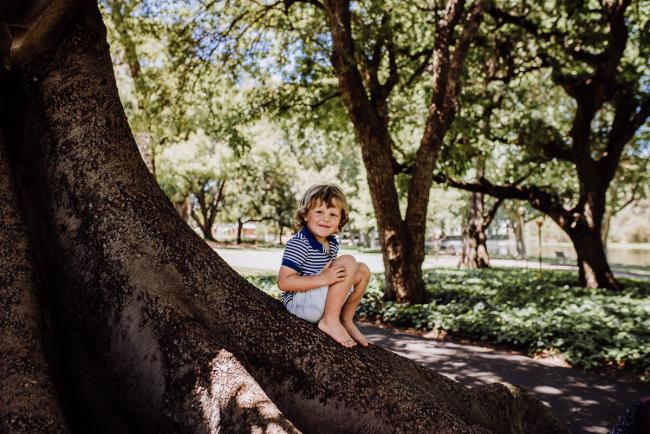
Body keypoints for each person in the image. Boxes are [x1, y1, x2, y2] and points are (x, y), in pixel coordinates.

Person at [278, 184, 370, 348]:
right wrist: (323, 278)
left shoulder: (332, 243)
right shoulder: (300, 243)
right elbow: (284, 282)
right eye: (319, 212)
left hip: (317, 300)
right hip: (300, 304)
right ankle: (330, 320)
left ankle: (345, 319)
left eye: (333, 214)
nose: (326, 218)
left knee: (362, 270)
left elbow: (335, 278)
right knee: (348, 261)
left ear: (340, 220)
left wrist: (327, 278)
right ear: (306, 215)